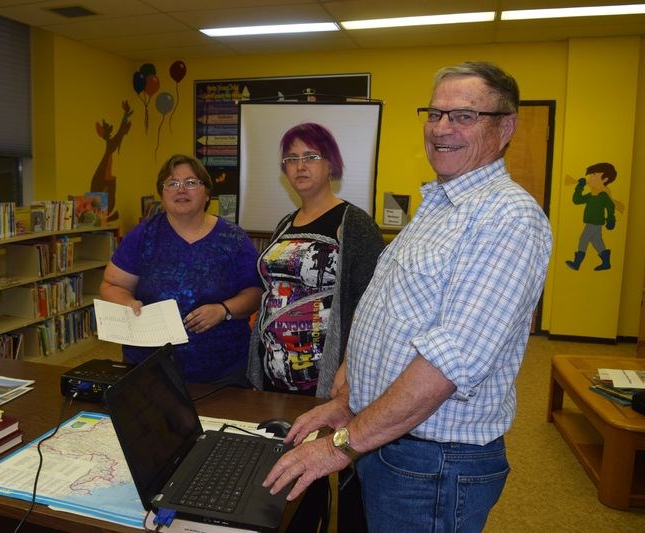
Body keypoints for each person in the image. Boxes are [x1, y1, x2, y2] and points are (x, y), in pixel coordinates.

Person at [263, 61, 553, 533]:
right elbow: (391, 316)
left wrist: (340, 443)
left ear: (505, 128)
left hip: (433, 461)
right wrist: (349, 400)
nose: (442, 128)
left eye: (463, 116)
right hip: (386, 436)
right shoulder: (439, 204)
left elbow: (448, 362)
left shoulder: (508, 218)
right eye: (435, 114)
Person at [247, 122, 384, 399]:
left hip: (325, 378)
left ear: (331, 164)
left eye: (311, 157)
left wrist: (349, 365)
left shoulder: (354, 223)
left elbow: (372, 303)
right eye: (292, 159)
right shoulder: (285, 224)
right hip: (274, 372)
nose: (300, 166)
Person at [99, 154, 262, 385]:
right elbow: (111, 284)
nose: (181, 190)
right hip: (149, 369)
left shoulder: (233, 238)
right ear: (162, 194)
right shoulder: (143, 235)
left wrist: (223, 310)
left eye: (191, 182)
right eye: (172, 183)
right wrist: (127, 303)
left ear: (207, 193)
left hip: (223, 372)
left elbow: (255, 292)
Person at [564, 162, 618, 271]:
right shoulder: (591, 194)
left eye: (594, 175)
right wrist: (579, 187)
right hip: (592, 222)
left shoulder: (603, 195)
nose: (590, 178)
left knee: (583, 239)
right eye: (591, 175)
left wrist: (611, 220)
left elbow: (611, 206)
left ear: (605, 179)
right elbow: (577, 200)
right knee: (597, 242)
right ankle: (606, 262)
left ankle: (577, 263)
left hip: (595, 222)